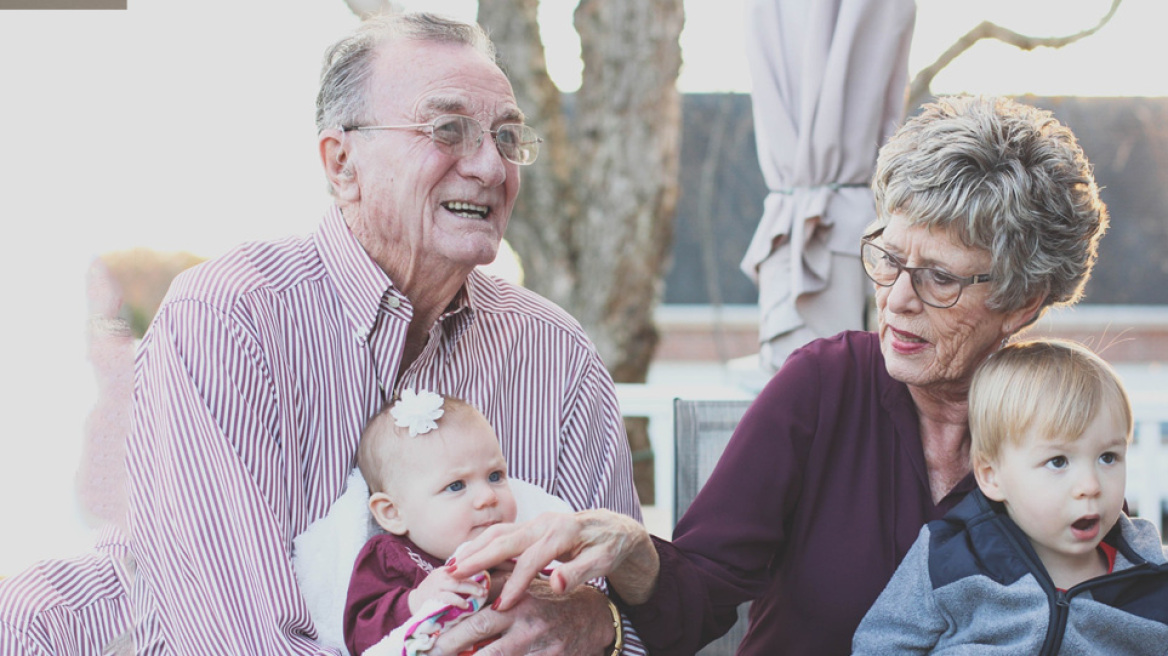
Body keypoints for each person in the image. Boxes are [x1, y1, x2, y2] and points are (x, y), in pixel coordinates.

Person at [0, 11, 642, 656]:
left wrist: (599, 626)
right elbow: (237, 640)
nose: (491, 167)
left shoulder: (556, 354)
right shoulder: (229, 319)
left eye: (506, 137)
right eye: (448, 129)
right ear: (342, 164)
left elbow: (636, 613)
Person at [444, 95, 1112, 655]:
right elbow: (696, 599)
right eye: (887, 258)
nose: (897, 299)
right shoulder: (825, 385)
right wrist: (632, 548)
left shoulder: (1067, 424)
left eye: (939, 277)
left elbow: (1109, 608)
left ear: (1022, 302)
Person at [852, 339, 1168, 654]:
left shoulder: (1150, 578)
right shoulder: (949, 559)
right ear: (991, 476)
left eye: (1108, 457)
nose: (1090, 485)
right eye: (1058, 462)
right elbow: (879, 646)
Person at [343, 390, 518, 655]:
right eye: (456, 485)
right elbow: (360, 634)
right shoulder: (392, 557)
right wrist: (415, 601)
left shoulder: (519, 548)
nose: (488, 496)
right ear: (393, 513)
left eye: (495, 476)